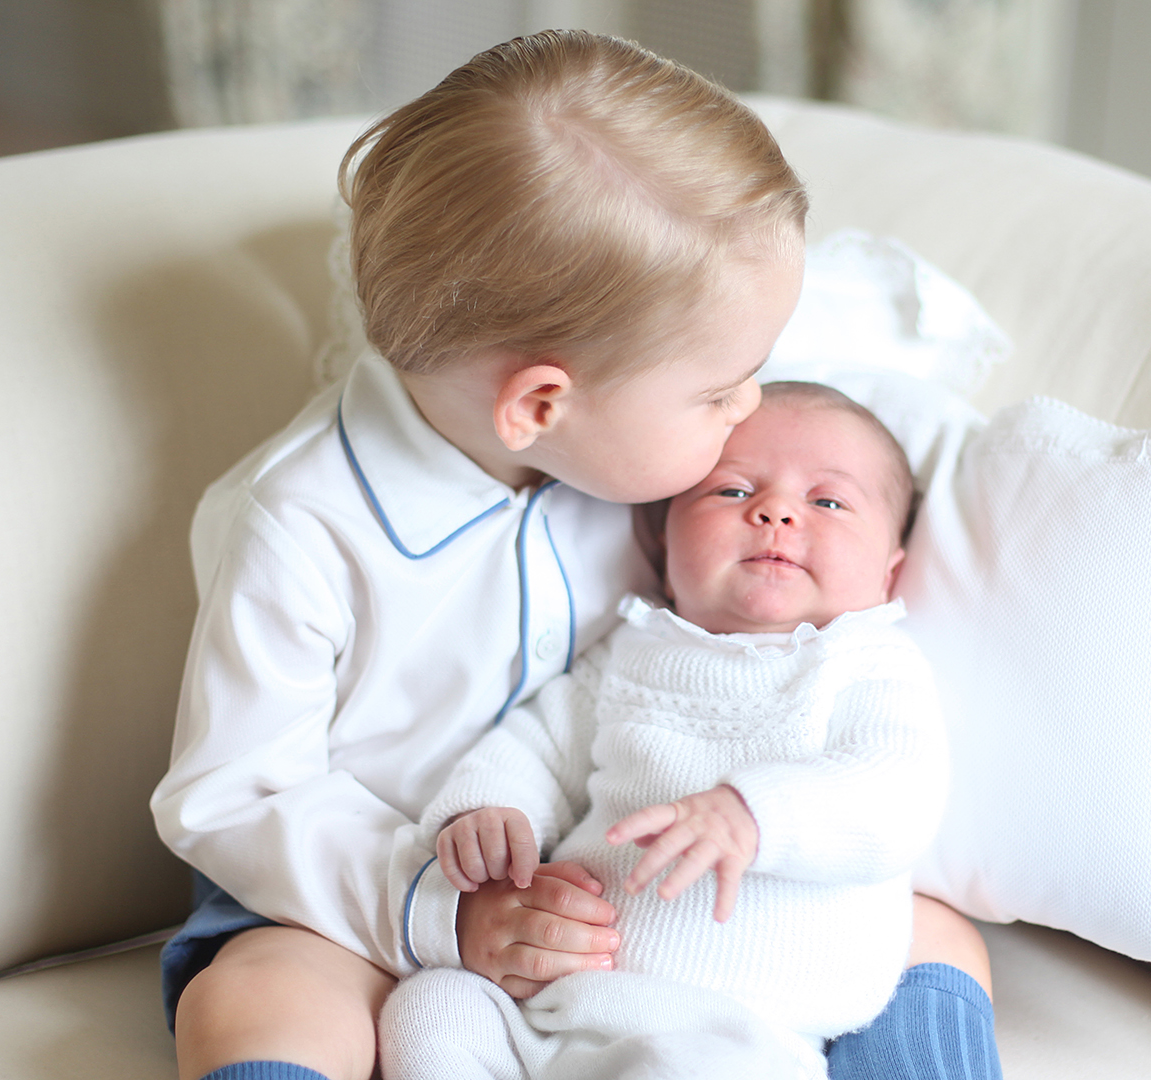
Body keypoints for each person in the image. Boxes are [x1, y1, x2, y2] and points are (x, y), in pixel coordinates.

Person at [150, 30, 1000, 1080]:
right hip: (361, 899)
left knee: (936, 934)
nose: (748, 410)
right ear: (541, 403)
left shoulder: (640, 458)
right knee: (263, 996)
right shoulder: (300, 525)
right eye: (720, 390)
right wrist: (441, 913)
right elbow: (233, 795)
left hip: (634, 902)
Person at [379, 383, 952, 1079]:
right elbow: (540, 743)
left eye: (827, 501)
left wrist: (754, 814)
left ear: (890, 572)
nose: (774, 511)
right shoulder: (635, 646)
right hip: (557, 1007)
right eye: (731, 492)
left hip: (737, 1035)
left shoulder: (867, 663)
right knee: (432, 1005)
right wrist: (489, 811)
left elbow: (897, 794)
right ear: (663, 536)